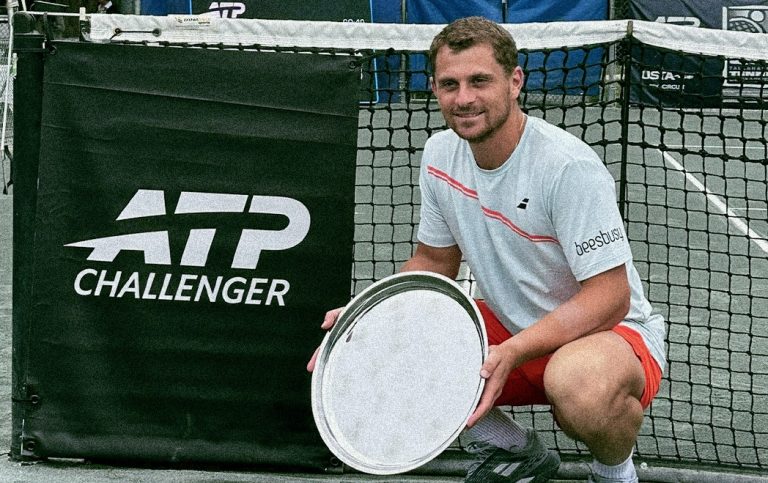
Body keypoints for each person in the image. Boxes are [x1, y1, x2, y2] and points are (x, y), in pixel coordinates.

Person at [308, 16, 666, 483]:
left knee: (578, 385)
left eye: (480, 81)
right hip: (509, 325)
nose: (463, 99)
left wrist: (514, 351)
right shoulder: (440, 154)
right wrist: (368, 317)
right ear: (434, 88)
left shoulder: (566, 167)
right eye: (449, 84)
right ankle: (515, 452)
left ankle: (615, 474)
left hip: (606, 336)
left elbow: (610, 297)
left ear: (514, 82)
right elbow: (434, 263)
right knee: (388, 348)